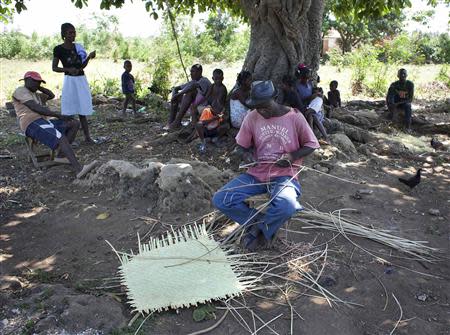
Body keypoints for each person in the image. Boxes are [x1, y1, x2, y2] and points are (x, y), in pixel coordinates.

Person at [212, 80, 320, 251]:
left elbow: (311, 144)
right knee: (221, 199)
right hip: (256, 174)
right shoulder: (252, 117)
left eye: (265, 106)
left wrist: (292, 156)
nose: (261, 111)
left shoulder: (294, 117)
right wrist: (245, 154)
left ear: (275, 98)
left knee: (287, 206)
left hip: (285, 175)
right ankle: (258, 225)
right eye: (258, 108)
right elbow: (241, 146)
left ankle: (262, 232)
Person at [12, 71, 98, 178]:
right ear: (26, 80)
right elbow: (35, 107)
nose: (38, 84)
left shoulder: (35, 94)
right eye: (35, 82)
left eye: (39, 82)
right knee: (60, 137)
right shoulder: (21, 91)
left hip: (43, 121)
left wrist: (39, 87)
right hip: (31, 123)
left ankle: (61, 155)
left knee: (74, 123)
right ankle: (79, 169)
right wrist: (58, 115)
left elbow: (51, 95)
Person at [52, 23, 96, 144]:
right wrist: (68, 69)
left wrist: (89, 57)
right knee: (69, 110)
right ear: (64, 34)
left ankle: (88, 138)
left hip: (81, 80)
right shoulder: (58, 49)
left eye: (74, 32)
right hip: (70, 81)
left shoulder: (78, 47)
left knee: (82, 109)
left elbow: (82, 66)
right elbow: (54, 68)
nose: (73, 34)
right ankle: (67, 139)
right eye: (70, 32)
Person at [194, 69, 228, 153]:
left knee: (225, 126)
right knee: (199, 123)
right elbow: (207, 97)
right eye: (216, 79)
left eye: (220, 79)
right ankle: (203, 140)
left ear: (223, 78)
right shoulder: (212, 87)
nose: (218, 81)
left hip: (218, 112)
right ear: (213, 78)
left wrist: (217, 113)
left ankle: (215, 138)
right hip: (211, 110)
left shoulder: (223, 89)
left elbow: (220, 103)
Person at [168, 64, 211, 129]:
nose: (191, 74)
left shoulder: (204, 81)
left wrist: (179, 94)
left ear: (200, 72)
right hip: (194, 103)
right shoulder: (193, 81)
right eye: (191, 72)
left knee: (189, 93)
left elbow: (191, 87)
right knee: (177, 97)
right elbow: (178, 88)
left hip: (204, 105)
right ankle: (171, 122)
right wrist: (175, 92)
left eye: (193, 72)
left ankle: (177, 121)